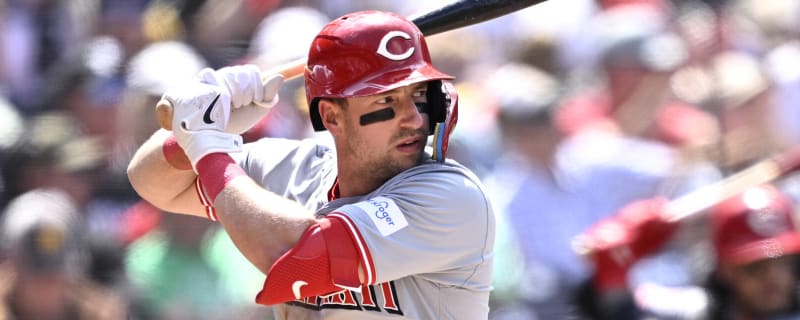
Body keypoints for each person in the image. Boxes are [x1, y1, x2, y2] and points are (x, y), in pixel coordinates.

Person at [127, 10, 495, 320]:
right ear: (332, 117)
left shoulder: (450, 198)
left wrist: (209, 150)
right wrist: (195, 132)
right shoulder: (296, 169)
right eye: (387, 101)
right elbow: (151, 181)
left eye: (419, 96)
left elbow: (298, 259)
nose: (414, 119)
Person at [577, 183, 800, 319]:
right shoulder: (697, 311)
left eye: (784, 263)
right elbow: (621, 310)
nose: (774, 278)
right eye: (754, 268)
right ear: (724, 269)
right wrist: (614, 275)